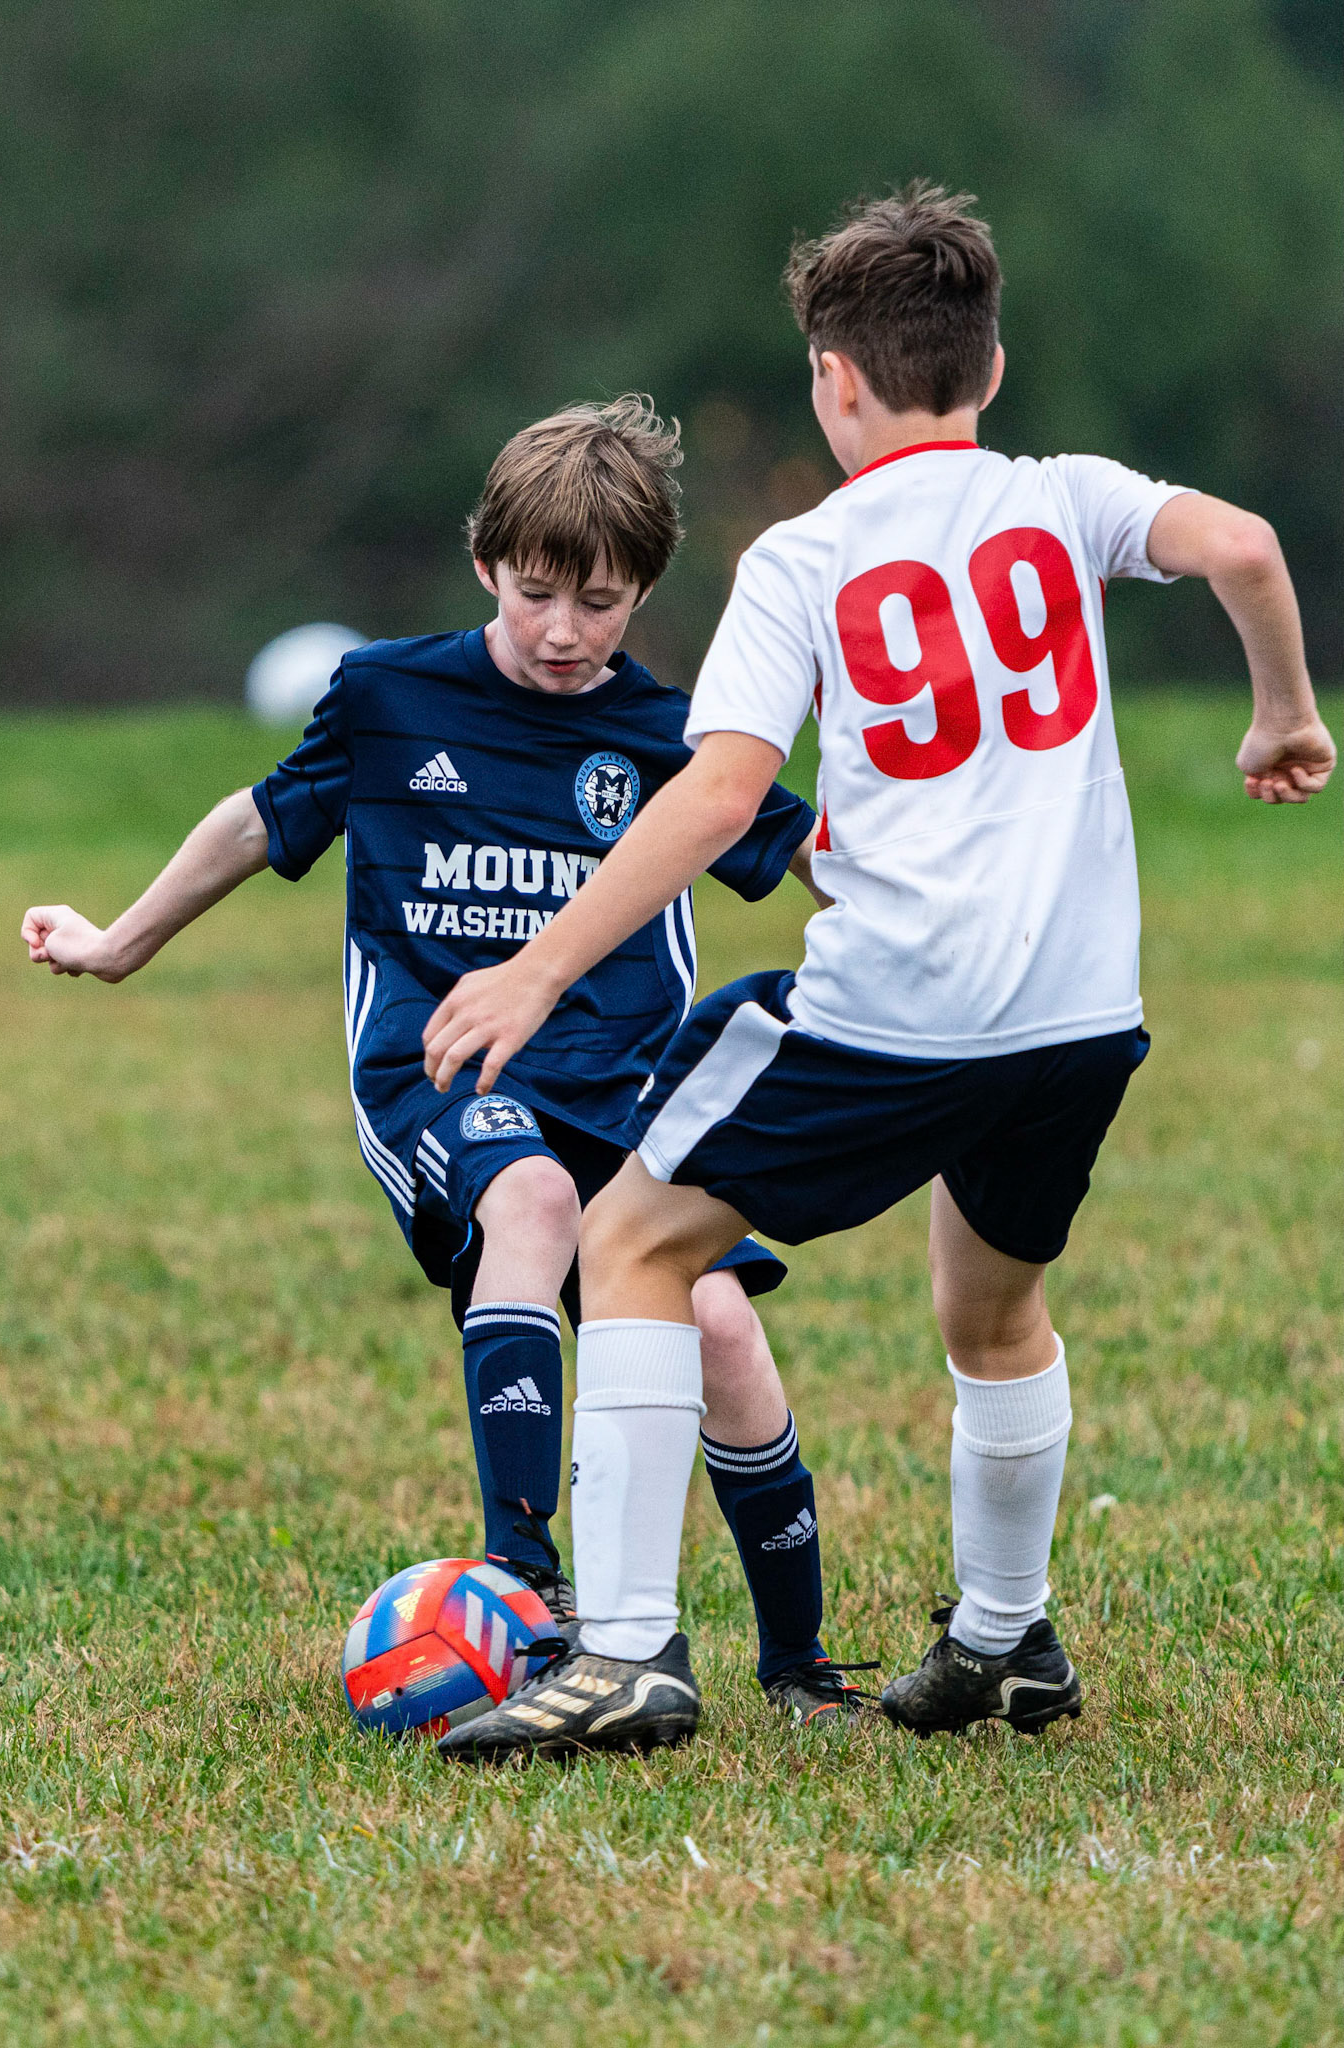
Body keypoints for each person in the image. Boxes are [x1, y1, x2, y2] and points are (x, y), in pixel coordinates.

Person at [420, 186, 1336, 1762]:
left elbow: (716, 794)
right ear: (987, 370)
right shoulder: (1065, 494)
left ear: (831, 383)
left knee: (634, 1237)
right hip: (1077, 1015)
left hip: (896, 1008)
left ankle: (629, 1651)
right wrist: (1280, 714)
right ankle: (1003, 1638)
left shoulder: (803, 556)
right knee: (990, 1310)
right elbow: (1243, 544)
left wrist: (540, 968)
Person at [19, 398, 885, 1726]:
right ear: (485, 562)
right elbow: (257, 821)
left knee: (716, 1322)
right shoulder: (387, 696)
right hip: (441, 1074)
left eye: (597, 603)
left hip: (625, 1086)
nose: (558, 631)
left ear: (642, 592)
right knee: (530, 1203)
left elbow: (811, 857)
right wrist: (119, 941)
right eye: (535, 592)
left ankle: (798, 1669)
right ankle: (523, 1586)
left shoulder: (674, 737)